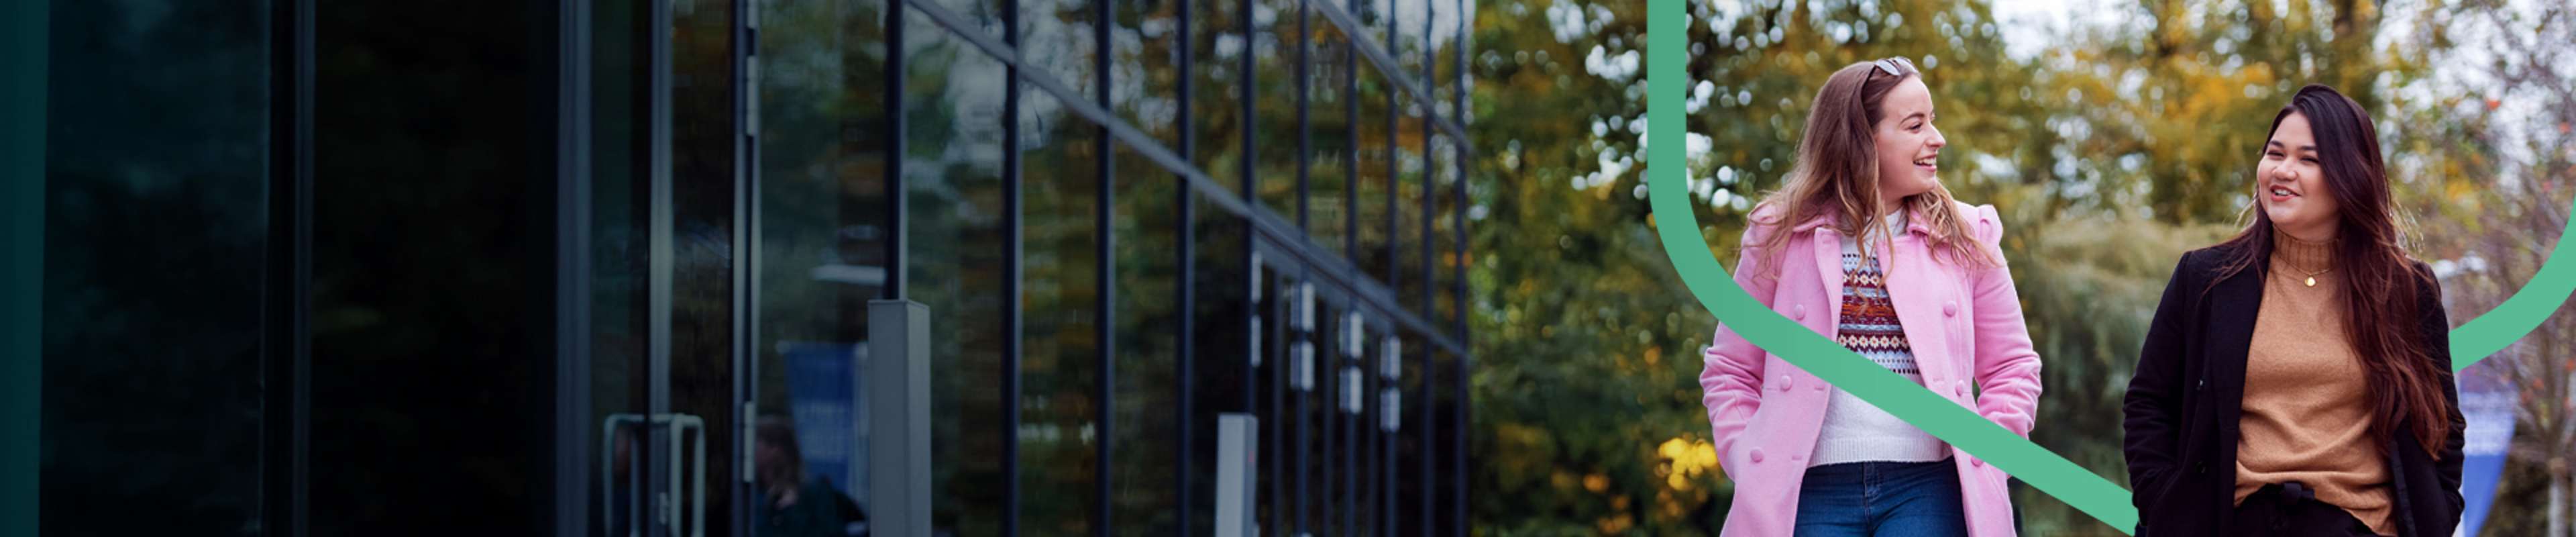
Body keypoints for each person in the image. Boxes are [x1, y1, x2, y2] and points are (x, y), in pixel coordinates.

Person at [1699, 56, 2043, 537]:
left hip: (1929, 489)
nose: (1937, 138)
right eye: (1915, 125)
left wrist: (1991, 453)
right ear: (1862, 139)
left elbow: (2012, 367)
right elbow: (1731, 368)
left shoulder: (1968, 233)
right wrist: (1749, 458)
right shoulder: (1778, 232)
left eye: (1934, 121)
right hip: (1806, 491)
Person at [2121, 84, 2463, 536]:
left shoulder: (2405, 290)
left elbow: (2442, 426)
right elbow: (2148, 404)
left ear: (2350, 176)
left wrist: (2436, 514)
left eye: (2309, 159)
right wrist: (2167, 506)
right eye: (2275, 154)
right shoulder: (2206, 278)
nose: (2283, 171)